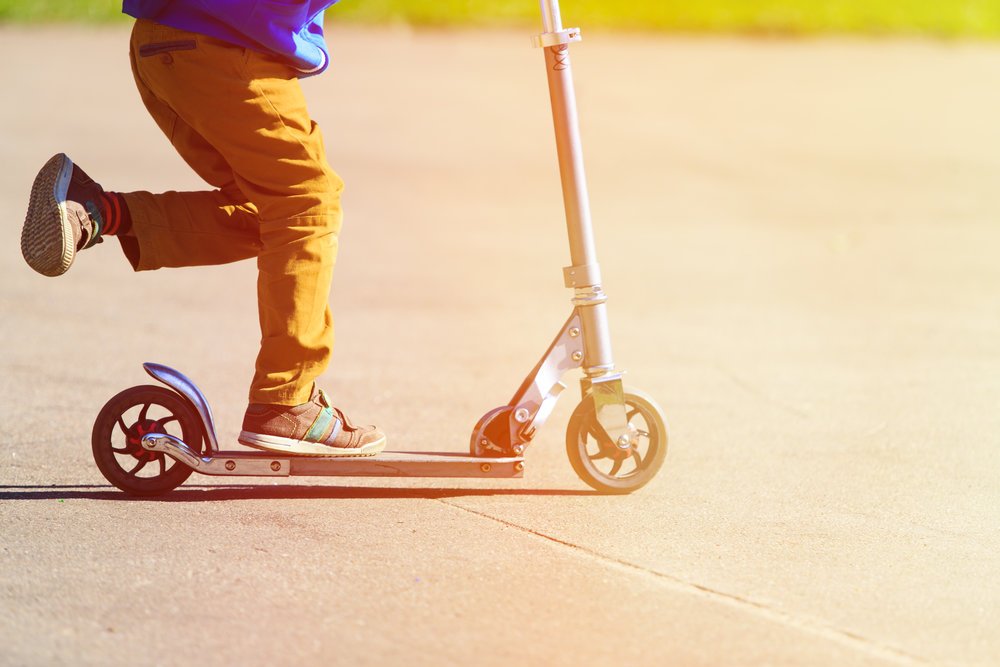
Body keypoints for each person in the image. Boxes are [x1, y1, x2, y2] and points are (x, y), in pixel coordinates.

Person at [20, 0, 386, 458]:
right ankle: (286, 400)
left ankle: (94, 212)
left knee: (271, 210)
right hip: (229, 46)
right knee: (305, 204)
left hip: (164, 43)